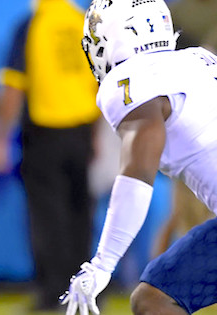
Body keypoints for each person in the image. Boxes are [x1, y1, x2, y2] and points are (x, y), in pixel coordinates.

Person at [61, 0, 217, 314]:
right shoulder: (201, 60)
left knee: (154, 299)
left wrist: (102, 264)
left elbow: (138, 172)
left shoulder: (129, 82)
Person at [0, 0, 100, 311]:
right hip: (83, 131)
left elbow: (13, 87)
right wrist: (97, 134)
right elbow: (99, 82)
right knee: (81, 215)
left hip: (45, 133)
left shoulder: (31, 25)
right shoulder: (83, 22)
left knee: (48, 217)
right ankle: (86, 288)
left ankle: (55, 292)